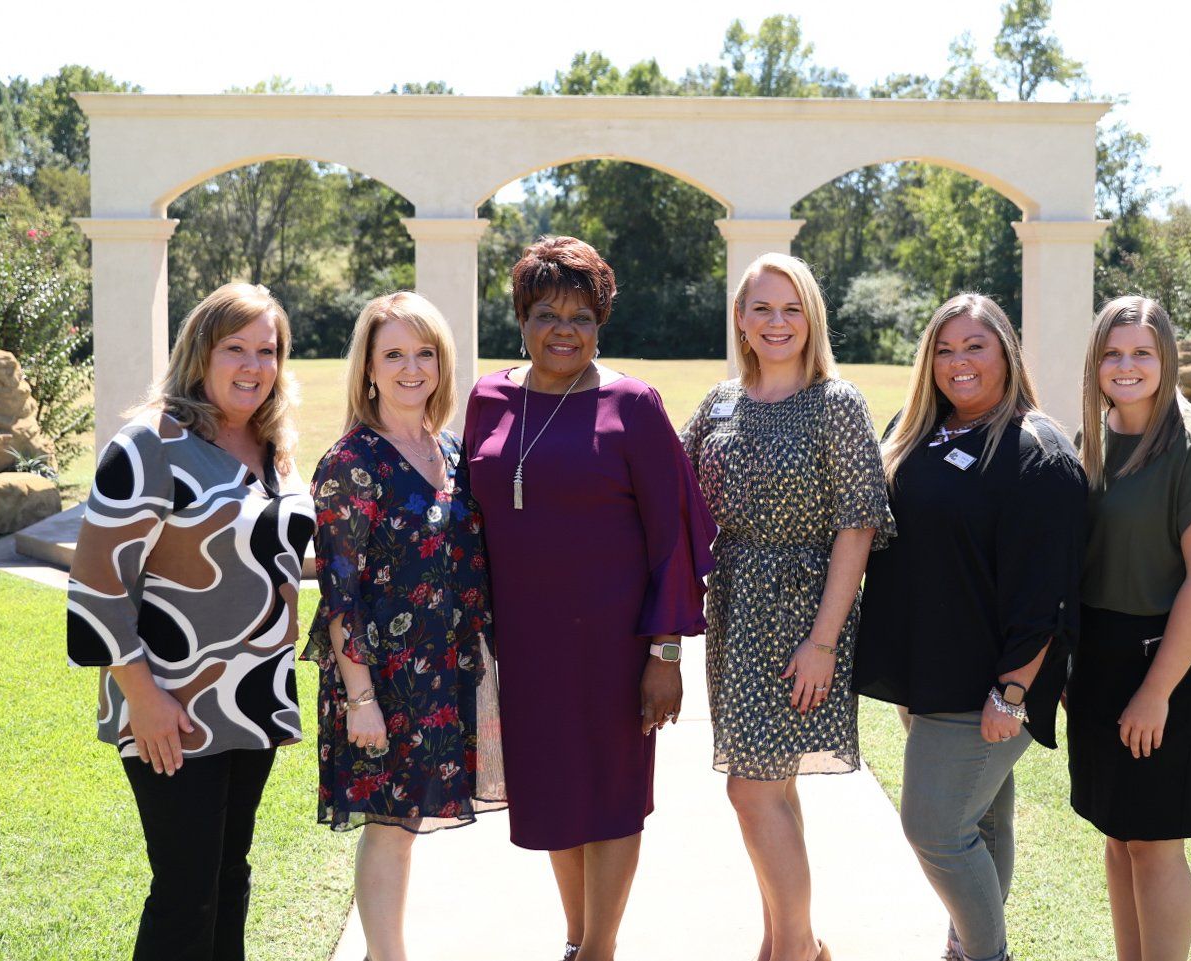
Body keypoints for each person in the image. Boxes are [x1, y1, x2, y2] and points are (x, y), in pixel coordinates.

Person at [463, 236, 715, 961]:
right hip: (525, 644)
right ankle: (578, 937)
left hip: (615, 646)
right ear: (521, 318)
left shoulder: (631, 404)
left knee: (609, 798)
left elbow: (675, 538)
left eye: (580, 314)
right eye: (546, 313)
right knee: (553, 797)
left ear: (601, 320)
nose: (563, 329)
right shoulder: (489, 399)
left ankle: (599, 947)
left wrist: (663, 653)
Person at [67, 283, 314, 961]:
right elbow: (96, 582)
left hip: (253, 699)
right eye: (235, 347)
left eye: (267, 350)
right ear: (200, 352)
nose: (253, 364)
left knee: (230, 879)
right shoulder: (151, 443)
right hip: (171, 706)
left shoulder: (272, 448)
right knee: (185, 890)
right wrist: (142, 696)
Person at [852, 293, 1087, 961]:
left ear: (1005, 354)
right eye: (945, 349)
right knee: (981, 819)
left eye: (974, 347)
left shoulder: (1036, 451)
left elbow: (1050, 591)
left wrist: (1011, 691)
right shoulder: (918, 428)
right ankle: (967, 945)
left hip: (989, 681)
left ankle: (985, 955)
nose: (959, 363)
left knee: (933, 828)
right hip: (929, 670)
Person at [680, 253, 893, 961]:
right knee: (767, 783)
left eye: (791, 308)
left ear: (812, 318)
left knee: (751, 787)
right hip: (734, 608)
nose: (777, 322)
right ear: (740, 318)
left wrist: (824, 640)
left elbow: (859, 523)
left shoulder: (836, 401)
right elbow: (672, 492)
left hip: (802, 615)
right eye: (762, 308)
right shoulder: (719, 402)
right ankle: (786, 942)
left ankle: (796, 948)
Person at [303, 291, 505, 961]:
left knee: (408, 820)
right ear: (368, 368)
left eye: (424, 353)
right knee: (390, 825)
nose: (411, 368)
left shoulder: (449, 450)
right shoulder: (350, 462)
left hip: (441, 670)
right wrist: (360, 699)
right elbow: (340, 590)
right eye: (394, 354)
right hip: (381, 680)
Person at [1069, 296, 1191, 961]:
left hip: (1167, 662)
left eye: (1142, 351)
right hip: (1101, 656)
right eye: (1113, 352)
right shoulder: (1096, 433)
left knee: (1154, 840)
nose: (1126, 365)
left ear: (1167, 357)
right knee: (1116, 832)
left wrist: (1155, 690)